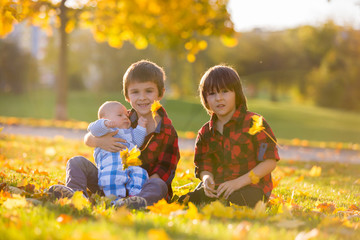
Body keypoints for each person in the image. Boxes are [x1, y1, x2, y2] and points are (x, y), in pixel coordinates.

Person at [49, 60, 180, 210]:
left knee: (158, 185)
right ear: (127, 96)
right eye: (135, 92)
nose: (142, 97)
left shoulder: (167, 131)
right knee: (76, 162)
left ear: (161, 93)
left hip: (141, 188)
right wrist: (99, 141)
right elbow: (88, 138)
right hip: (109, 181)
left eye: (149, 91)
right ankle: (76, 195)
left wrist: (135, 188)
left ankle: (134, 203)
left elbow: (164, 169)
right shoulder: (123, 118)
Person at [178, 65, 280, 208]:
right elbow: (203, 164)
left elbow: (270, 162)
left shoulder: (255, 123)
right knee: (189, 200)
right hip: (219, 186)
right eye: (212, 93)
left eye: (225, 91)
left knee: (242, 199)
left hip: (251, 186)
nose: (219, 98)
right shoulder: (205, 133)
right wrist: (207, 178)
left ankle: (220, 201)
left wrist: (238, 183)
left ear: (236, 93)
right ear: (205, 99)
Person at [87, 101, 148, 200]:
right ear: (104, 119)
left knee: (141, 175)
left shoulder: (130, 132)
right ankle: (115, 201)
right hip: (112, 165)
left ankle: (134, 197)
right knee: (112, 178)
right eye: (120, 115)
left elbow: (138, 142)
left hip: (130, 164)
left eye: (126, 115)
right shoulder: (106, 130)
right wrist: (105, 124)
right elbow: (93, 129)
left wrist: (141, 127)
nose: (125, 117)